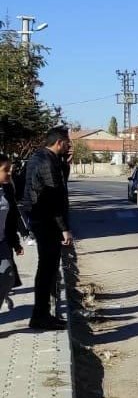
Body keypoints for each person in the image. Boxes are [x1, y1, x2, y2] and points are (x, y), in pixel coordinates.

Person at [24, 127, 73, 330]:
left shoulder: (46, 158)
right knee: (46, 269)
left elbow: (60, 184)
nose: (69, 145)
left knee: (49, 269)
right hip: (46, 222)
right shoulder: (45, 162)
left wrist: (65, 165)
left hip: (42, 220)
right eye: (67, 142)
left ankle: (45, 314)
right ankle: (40, 316)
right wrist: (64, 228)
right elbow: (54, 198)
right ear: (59, 142)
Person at [1, 155, 26, 313]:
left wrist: (15, 243)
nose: (10, 172)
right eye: (6, 170)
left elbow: (11, 218)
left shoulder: (7, 189)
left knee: (8, 275)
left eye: (11, 169)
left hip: (2, 242)